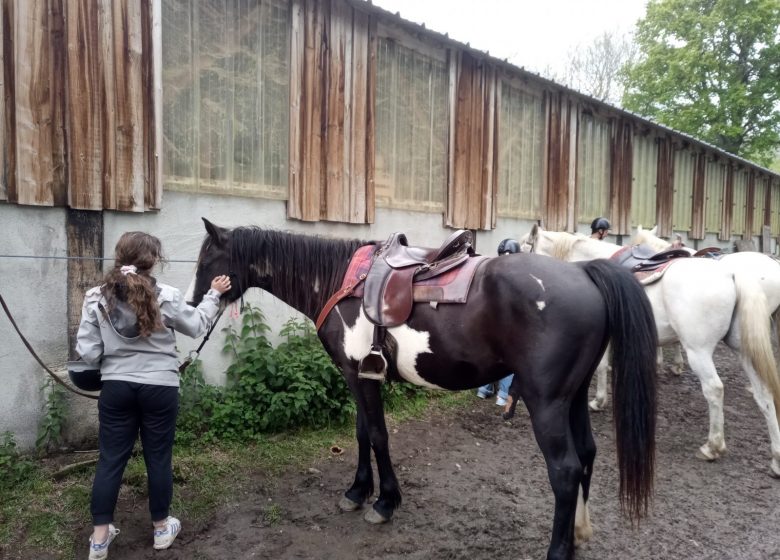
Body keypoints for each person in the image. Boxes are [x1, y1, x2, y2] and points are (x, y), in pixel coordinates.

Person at [76, 232, 231, 560]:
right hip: (161, 387)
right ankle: (162, 529)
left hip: (116, 388)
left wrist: (112, 358)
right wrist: (213, 294)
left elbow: (87, 353)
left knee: (110, 459)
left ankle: (100, 540)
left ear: (119, 256)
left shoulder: (94, 297)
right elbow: (197, 324)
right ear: (153, 260)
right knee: (157, 457)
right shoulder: (168, 295)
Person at [476, 238, 518, 408]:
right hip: (509, 324)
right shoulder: (517, 275)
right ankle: (503, 395)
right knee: (509, 359)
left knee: (490, 356)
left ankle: (483, 389)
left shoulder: (491, 270)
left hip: (489, 322)